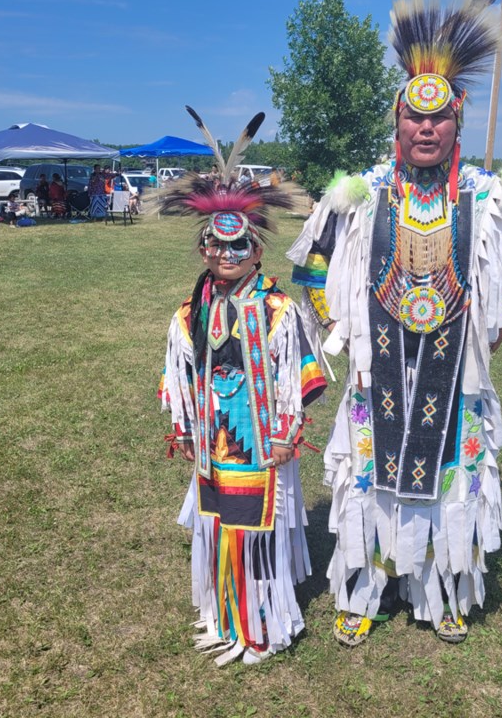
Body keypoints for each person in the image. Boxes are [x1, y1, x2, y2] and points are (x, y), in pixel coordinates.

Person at [287, 0, 502, 647]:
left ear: (455, 121)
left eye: (440, 117)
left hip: (453, 382)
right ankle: (365, 591)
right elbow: (311, 264)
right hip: (377, 377)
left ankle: (438, 591)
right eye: (417, 115)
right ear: (399, 121)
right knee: (370, 487)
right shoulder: (362, 195)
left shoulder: (488, 198)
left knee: (447, 486)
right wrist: (341, 325)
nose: (428, 128)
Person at [159, 107, 327, 666]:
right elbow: (180, 373)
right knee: (217, 527)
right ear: (202, 246)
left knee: (254, 532)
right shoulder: (194, 308)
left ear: (257, 250)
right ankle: (223, 617)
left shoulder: (278, 310)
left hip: (262, 446)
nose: (223, 255)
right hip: (213, 444)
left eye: (236, 248)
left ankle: (260, 625)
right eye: (213, 245)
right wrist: (182, 426)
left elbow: (298, 374)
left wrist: (285, 432)